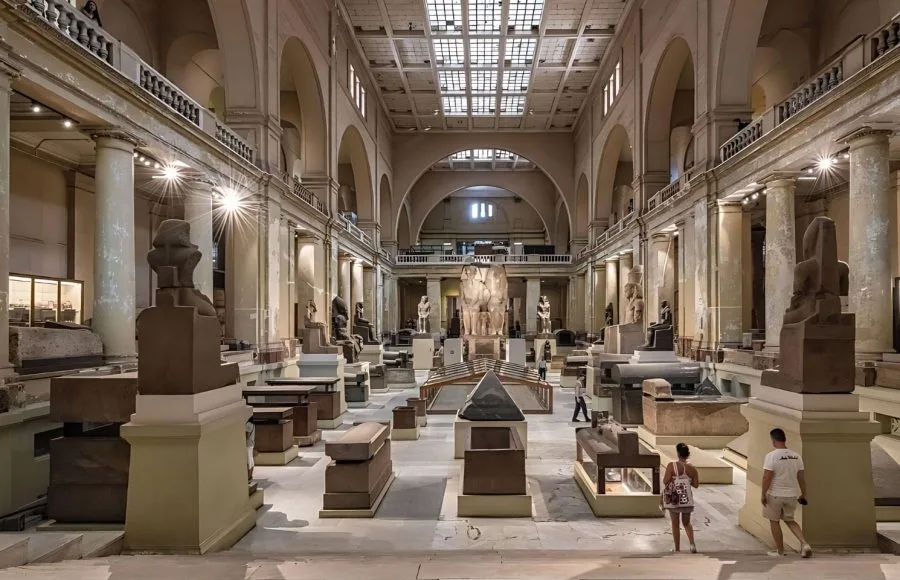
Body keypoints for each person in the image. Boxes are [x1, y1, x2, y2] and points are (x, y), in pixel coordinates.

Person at [762, 428, 812, 558]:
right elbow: (801, 478)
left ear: (773, 440)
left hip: (775, 494)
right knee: (790, 520)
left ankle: (780, 551)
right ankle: (804, 543)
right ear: (784, 439)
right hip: (791, 495)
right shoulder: (796, 456)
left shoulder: (771, 456)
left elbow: (767, 477)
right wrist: (804, 494)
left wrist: (763, 493)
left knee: (774, 521)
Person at [662, 443, 699, 553]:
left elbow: (665, 481)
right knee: (686, 522)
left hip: (675, 499)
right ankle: (692, 544)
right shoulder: (692, 469)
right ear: (688, 454)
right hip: (686, 498)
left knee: (675, 524)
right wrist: (686, 480)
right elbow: (696, 485)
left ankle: (677, 549)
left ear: (678, 453)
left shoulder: (671, 466)